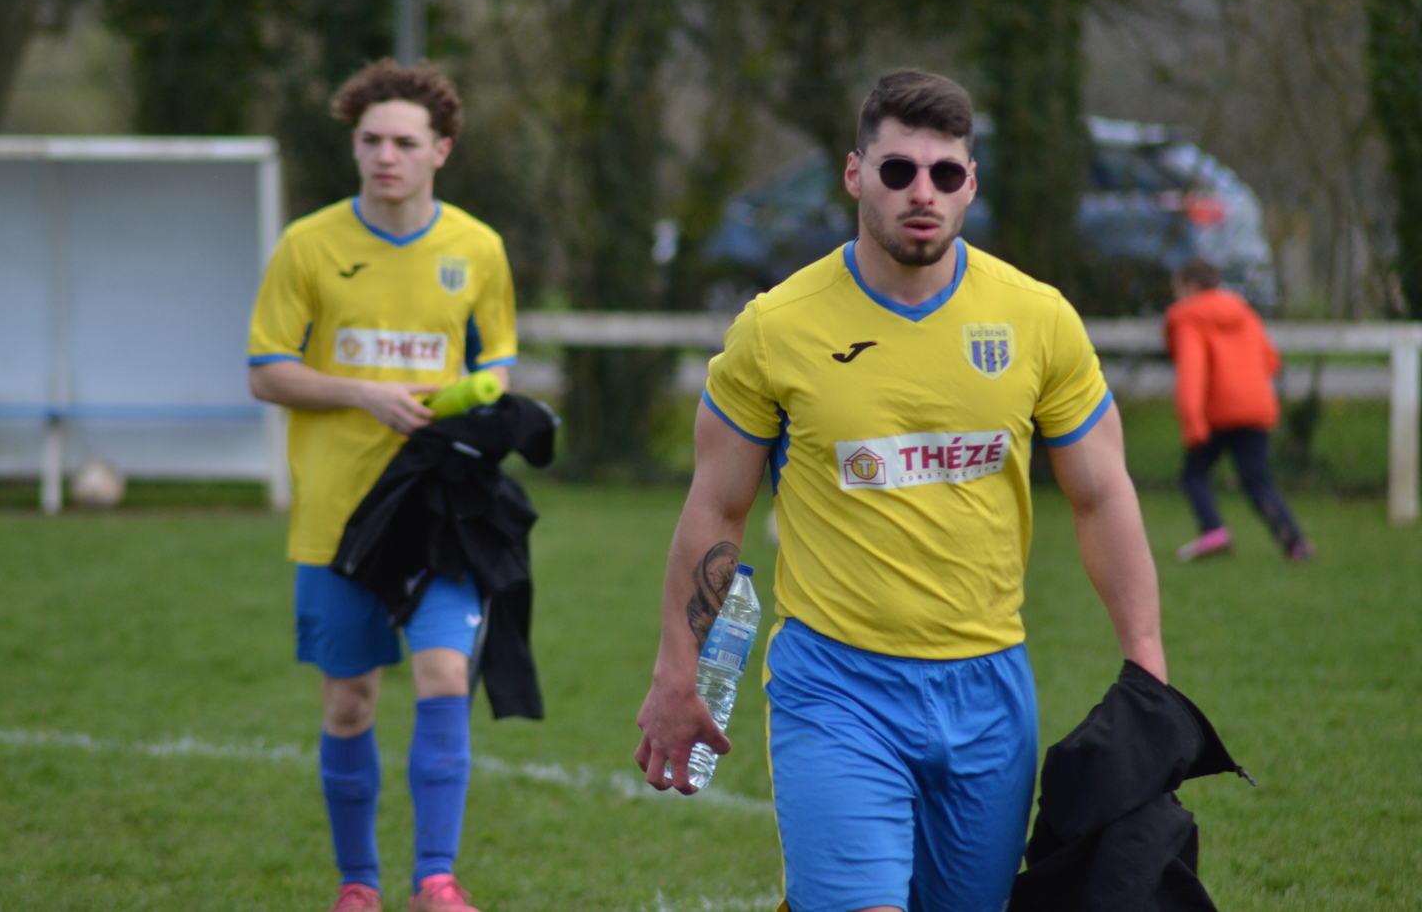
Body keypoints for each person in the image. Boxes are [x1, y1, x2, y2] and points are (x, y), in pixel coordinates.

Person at [634, 69, 1168, 912]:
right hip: (834, 686)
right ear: (856, 175)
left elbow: (1103, 496)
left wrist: (1147, 666)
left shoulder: (1038, 320)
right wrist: (677, 670)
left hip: (989, 693)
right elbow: (716, 506)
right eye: (899, 170)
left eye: (945, 173)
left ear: (970, 184)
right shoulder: (776, 327)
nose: (924, 191)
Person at [248, 59, 517, 912]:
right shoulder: (309, 244)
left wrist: (472, 398)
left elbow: (499, 363)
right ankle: (357, 884)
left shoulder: (477, 248)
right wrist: (364, 393)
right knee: (350, 702)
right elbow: (266, 369)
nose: (385, 156)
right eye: (371, 141)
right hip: (335, 514)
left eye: (404, 142)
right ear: (355, 147)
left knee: (443, 675)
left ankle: (435, 879)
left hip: (436, 510)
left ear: (441, 150)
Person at [1166, 256, 1313, 563]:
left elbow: (1192, 373)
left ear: (1191, 287)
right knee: (1257, 481)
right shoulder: (1244, 313)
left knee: (1194, 474)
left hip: (1217, 414)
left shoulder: (1188, 318)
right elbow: (1271, 360)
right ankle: (1295, 543)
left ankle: (1213, 531)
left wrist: (1191, 420)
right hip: (1257, 409)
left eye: (1177, 291)